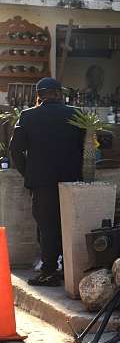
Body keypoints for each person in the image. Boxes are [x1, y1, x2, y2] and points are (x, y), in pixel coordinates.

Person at [9, 77, 84, 286]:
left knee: (47, 226)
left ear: (39, 96)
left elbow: (15, 150)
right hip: (71, 180)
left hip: (42, 182)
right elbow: (86, 147)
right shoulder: (75, 114)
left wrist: (29, 174)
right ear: (59, 94)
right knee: (68, 224)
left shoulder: (28, 116)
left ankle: (49, 271)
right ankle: (68, 268)